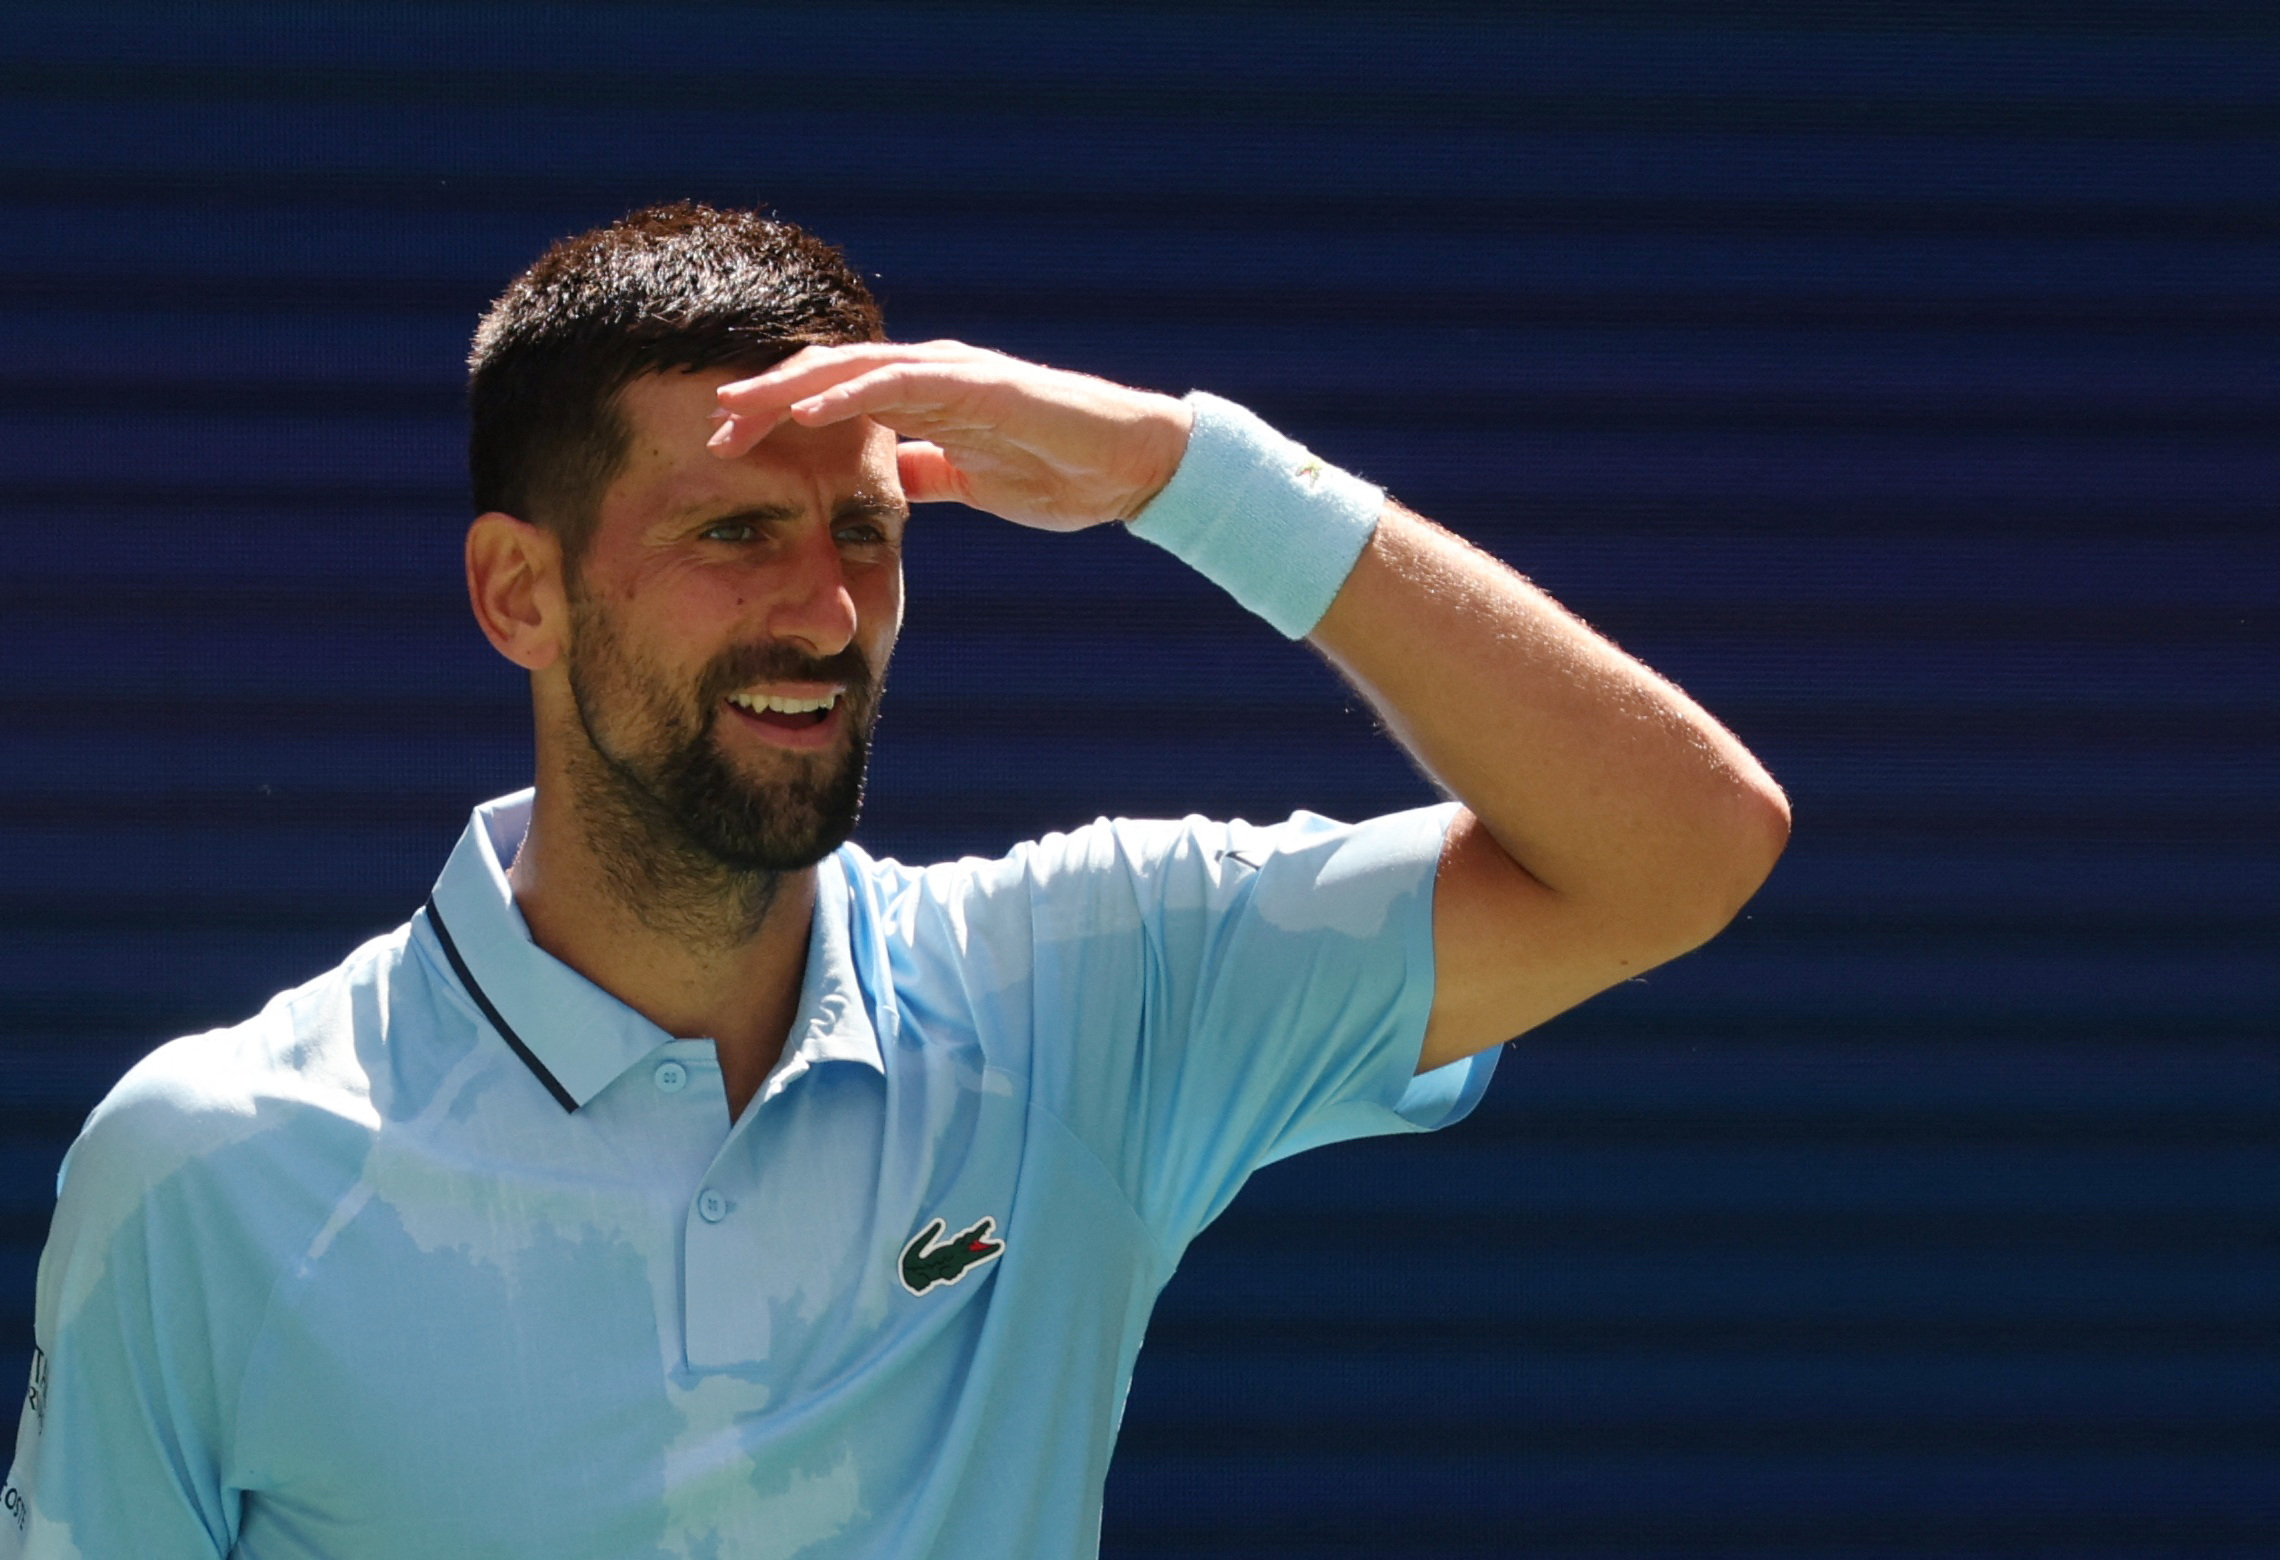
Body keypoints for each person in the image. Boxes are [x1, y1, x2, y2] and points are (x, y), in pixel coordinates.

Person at [2, 202, 1788, 1559]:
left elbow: (1686, 850)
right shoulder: (204, 1168)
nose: (827, 610)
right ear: (517, 595)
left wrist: (1189, 476)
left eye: (868, 530)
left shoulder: (1093, 991)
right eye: (737, 533)